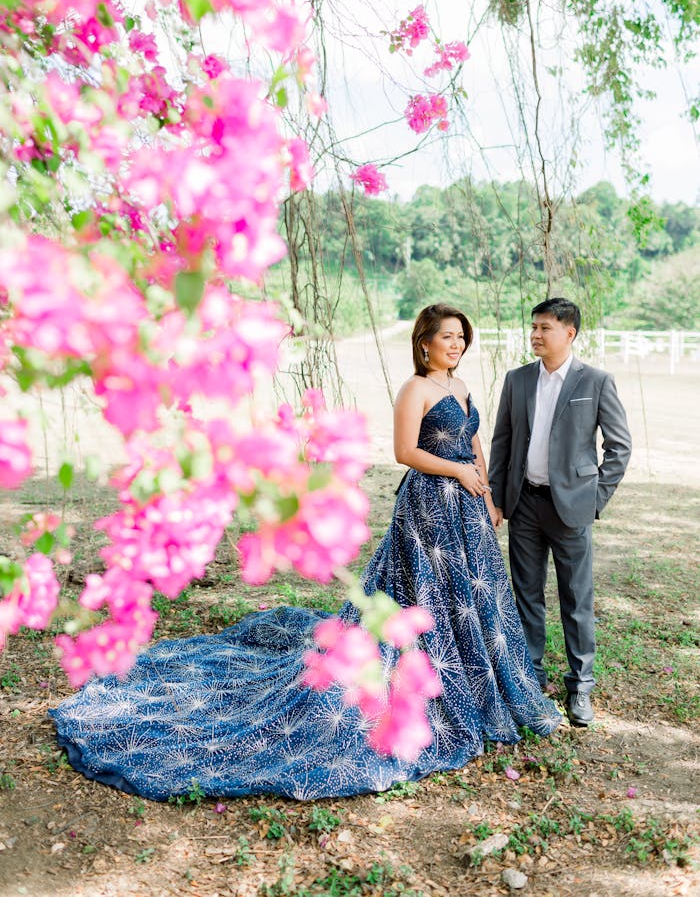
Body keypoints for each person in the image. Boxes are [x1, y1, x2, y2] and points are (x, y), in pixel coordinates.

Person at [49, 303, 560, 802]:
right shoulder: (416, 389)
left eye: (461, 337)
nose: (457, 344)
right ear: (424, 342)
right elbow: (406, 452)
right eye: (448, 336)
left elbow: (473, 446)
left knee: (471, 597)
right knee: (425, 592)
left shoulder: (462, 387)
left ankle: (480, 681)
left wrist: (488, 494)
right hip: (429, 504)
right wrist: (455, 473)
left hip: (468, 510)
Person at [488, 298, 632, 727]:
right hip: (524, 504)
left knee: (576, 600)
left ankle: (580, 687)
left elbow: (619, 448)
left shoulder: (597, 381)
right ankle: (531, 681)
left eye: (544, 327)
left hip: (572, 509)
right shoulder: (517, 380)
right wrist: (497, 497)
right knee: (526, 595)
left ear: (569, 333)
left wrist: (595, 499)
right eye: (533, 326)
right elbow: (502, 442)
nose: (535, 334)